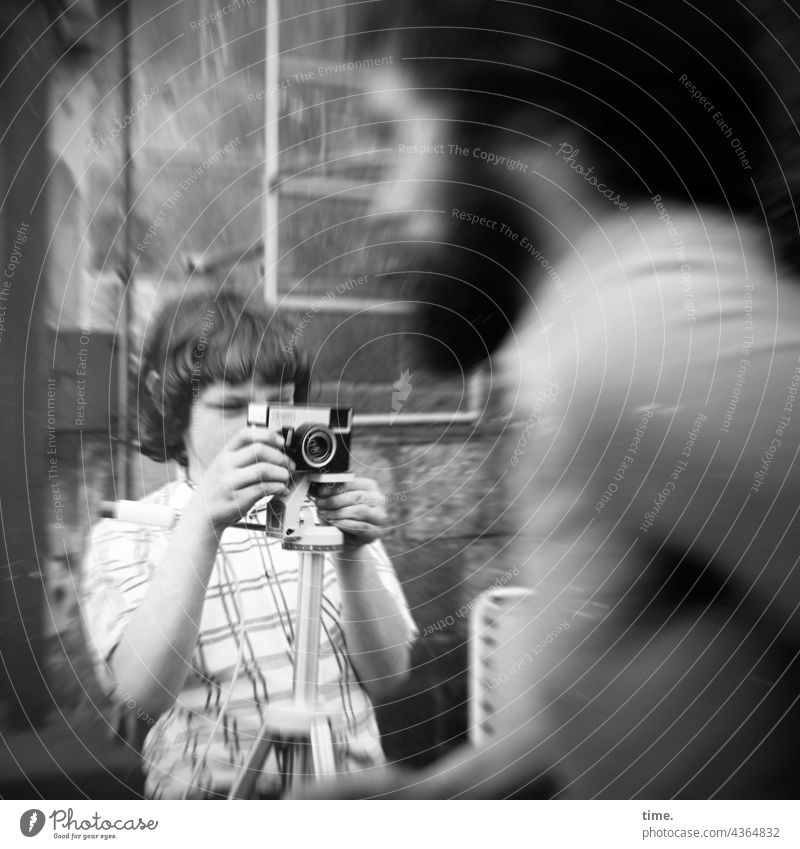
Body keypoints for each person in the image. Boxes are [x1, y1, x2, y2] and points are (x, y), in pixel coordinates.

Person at [297, 0, 800, 797]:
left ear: (533, 135)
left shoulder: (643, 337)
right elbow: (671, 691)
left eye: (397, 136)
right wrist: (439, 803)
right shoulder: (602, 337)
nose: (384, 203)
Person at [81, 288, 417, 799]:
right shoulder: (132, 532)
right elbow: (142, 695)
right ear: (167, 402)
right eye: (231, 406)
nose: (259, 426)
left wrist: (353, 557)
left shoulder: (319, 504)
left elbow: (391, 676)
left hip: (347, 793)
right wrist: (201, 523)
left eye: (279, 405)